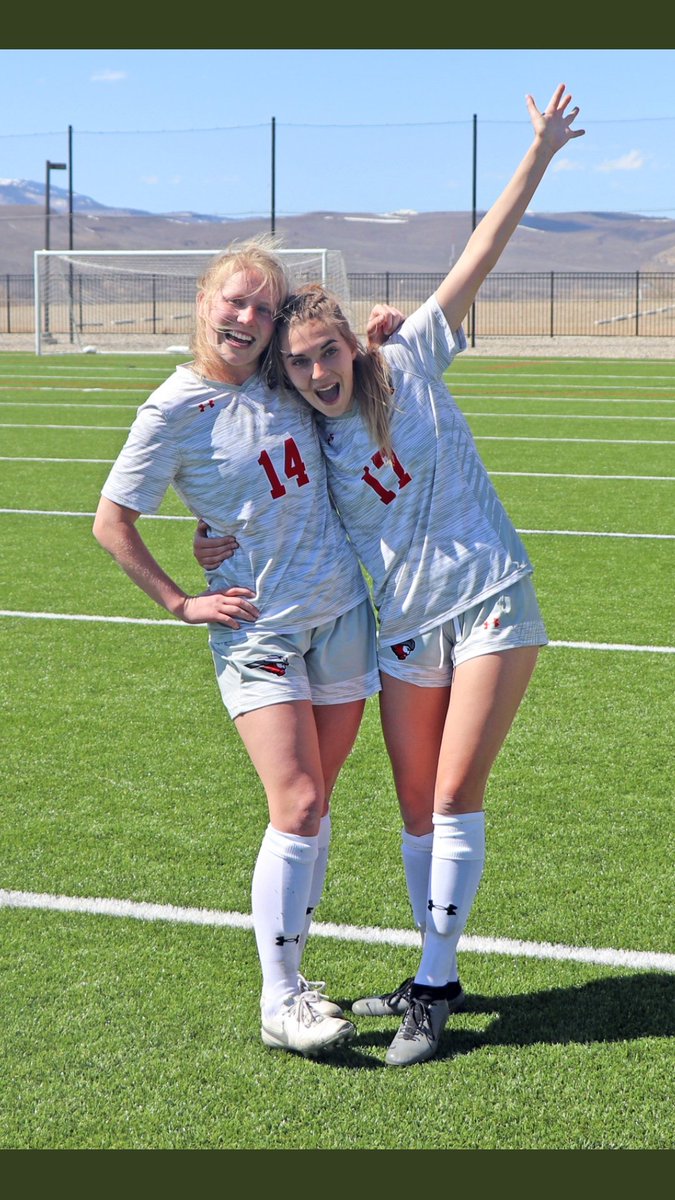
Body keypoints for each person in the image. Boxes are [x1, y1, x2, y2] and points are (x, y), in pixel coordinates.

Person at [198, 85, 585, 1067]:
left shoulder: (410, 354)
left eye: (328, 353)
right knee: (415, 806)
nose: (321, 374)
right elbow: (266, 499)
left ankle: (439, 984)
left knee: (456, 791)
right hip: (406, 629)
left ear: (351, 343)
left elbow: (481, 253)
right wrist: (216, 546)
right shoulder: (313, 440)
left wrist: (538, 153)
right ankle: (426, 972)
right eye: (304, 365)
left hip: (491, 598)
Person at [92, 237, 385, 1059]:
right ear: (204, 301)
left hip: (340, 614)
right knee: (293, 803)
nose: (248, 318)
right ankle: (279, 997)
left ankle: (297, 977)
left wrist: (382, 330)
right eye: (235, 301)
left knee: (316, 806)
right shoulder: (170, 411)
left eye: (262, 305)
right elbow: (111, 524)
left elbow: (341, 384)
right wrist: (183, 600)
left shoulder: (280, 376)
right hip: (259, 631)